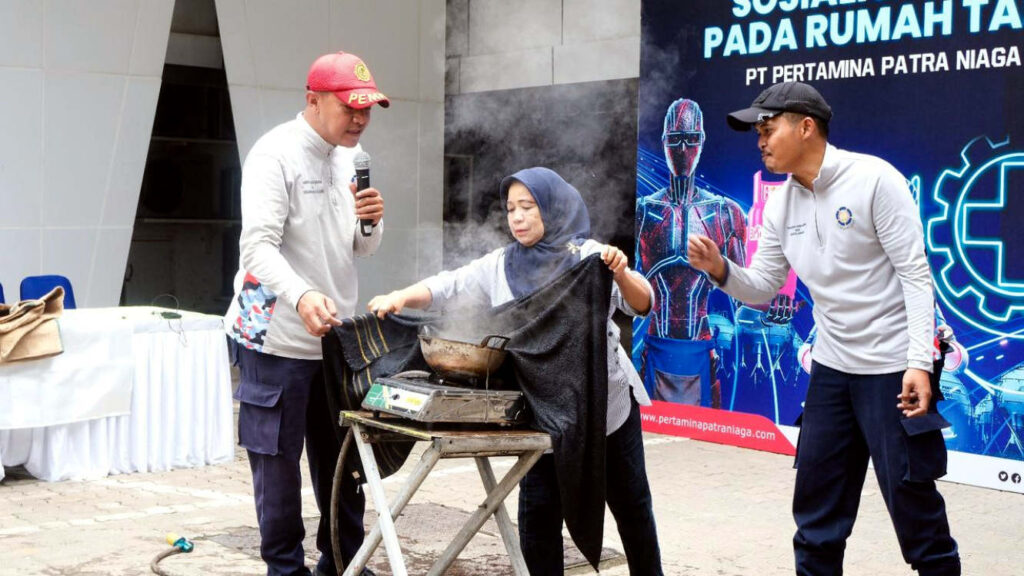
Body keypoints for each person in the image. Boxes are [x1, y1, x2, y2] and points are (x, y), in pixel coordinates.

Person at [687, 81, 960, 575]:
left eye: (768, 130)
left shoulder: (875, 180)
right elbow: (765, 286)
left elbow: (916, 276)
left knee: (914, 509)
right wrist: (720, 269)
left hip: (892, 368)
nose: (761, 141)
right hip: (833, 369)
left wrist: (920, 363)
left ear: (805, 127)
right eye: (759, 134)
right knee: (816, 517)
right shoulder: (780, 204)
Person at [367, 167, 664, 575]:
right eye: (510, 209)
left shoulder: (588, 257)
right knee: (539, 516)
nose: (517, 218)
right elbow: (450, 284)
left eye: (528, 207)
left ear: (554, 209)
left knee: (632, 510)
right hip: (543, 412)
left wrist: (622, 272)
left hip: (605, 411)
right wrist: (400, 297)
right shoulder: (502, 264)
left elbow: (643, 303)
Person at [223, 50, 388, 576]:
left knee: (342, 466)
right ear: (313, 100)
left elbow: (358, 251)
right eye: (350, 108)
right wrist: (301, 295)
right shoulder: (275, 154)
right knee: (276, 469)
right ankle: (284, 570)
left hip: (334, 339)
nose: (360, 119)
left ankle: (338, 564)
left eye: (368, 109)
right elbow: (258, 248)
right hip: (273, 335)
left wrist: (371, 224)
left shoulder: (349, 157)